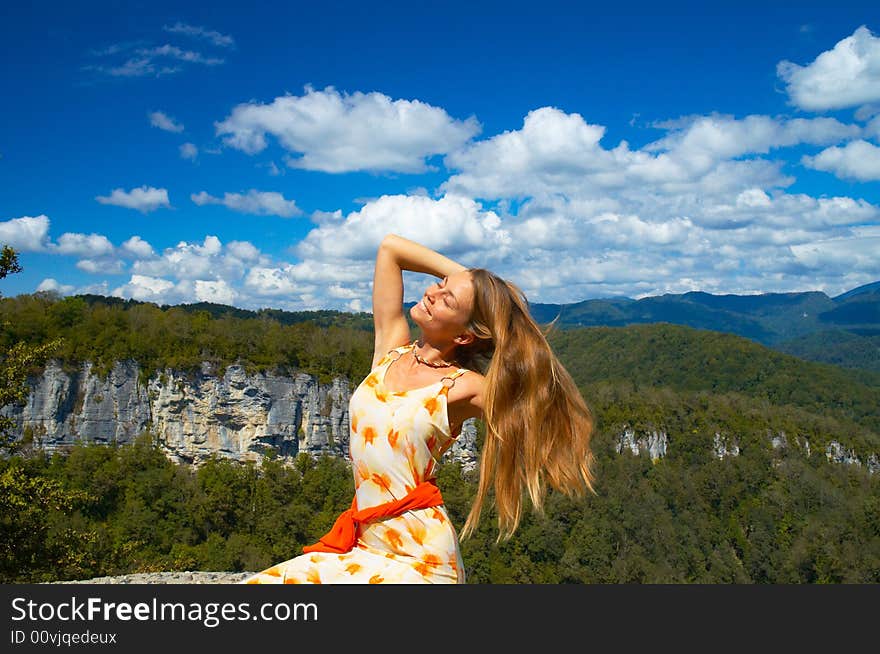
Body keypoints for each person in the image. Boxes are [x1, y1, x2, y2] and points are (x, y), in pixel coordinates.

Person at [241, 233, 596, 584]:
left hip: (421, 559)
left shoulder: (463, 386)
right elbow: (390, 249)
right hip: (365, 547)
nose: (431, 292)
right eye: (439, 285)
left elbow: (537, 407)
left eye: (447, 300)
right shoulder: (390, 350)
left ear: (463, 336)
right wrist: (470, 283)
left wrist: (491, 305)